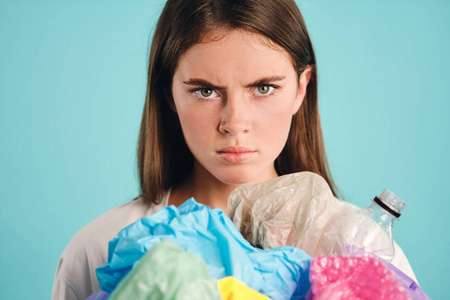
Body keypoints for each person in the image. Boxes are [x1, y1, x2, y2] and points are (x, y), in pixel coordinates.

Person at [52, 0, 417, 299]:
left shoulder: (359, 251)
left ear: (301, 88)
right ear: (169, 94)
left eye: (263, 88)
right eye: (205, 91)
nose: (234, 122)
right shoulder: (99, 249)